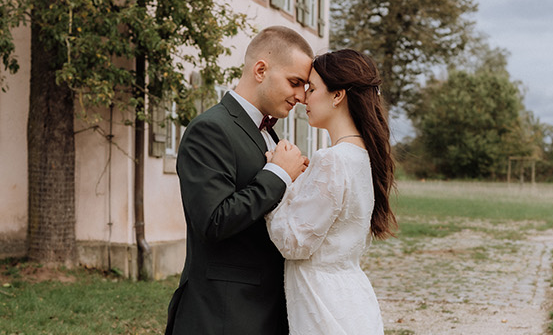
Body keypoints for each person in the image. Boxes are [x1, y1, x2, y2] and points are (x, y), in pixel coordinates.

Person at [165, 26, 314, 334]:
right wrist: (279, 174)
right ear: (261, 69)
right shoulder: (210, 129)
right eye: (295, 82)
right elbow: (213, 221)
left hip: (267, 310)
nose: (301, 96)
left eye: (305, 86)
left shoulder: (269, 133)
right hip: (225, 314)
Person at [266, 49, 396, 334]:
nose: (304, 98)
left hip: (323, 304)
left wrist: (278, 176)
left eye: (312, 88)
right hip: (352, 298)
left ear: (338, 95)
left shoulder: (333, 159)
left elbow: (293, 243)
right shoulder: (363, 156)